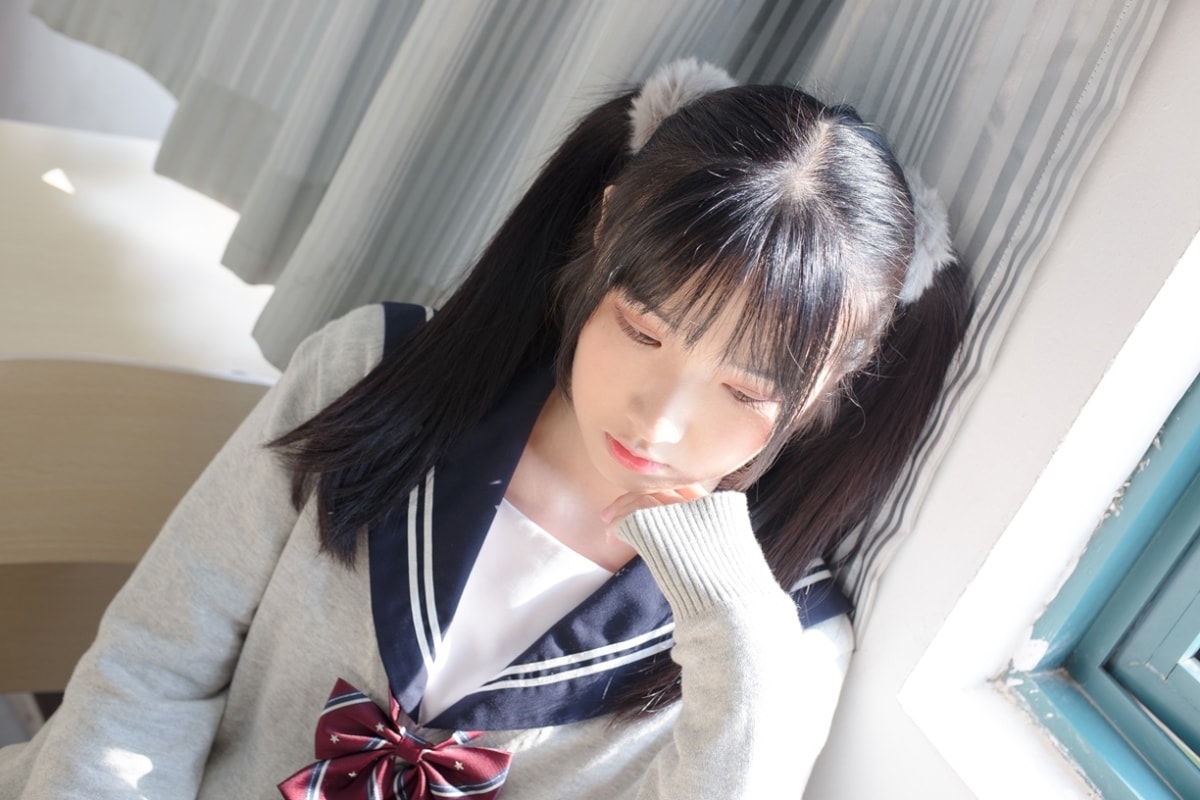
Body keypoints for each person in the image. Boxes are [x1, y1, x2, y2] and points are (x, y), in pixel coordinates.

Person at [0, 59, 967, 799]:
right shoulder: (378, 369)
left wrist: (731, 626)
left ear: (837, 381)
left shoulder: (779, 639)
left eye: (744, 391)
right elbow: (153, 663)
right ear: (603, 230)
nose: (663, 419)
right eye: (642, 331)